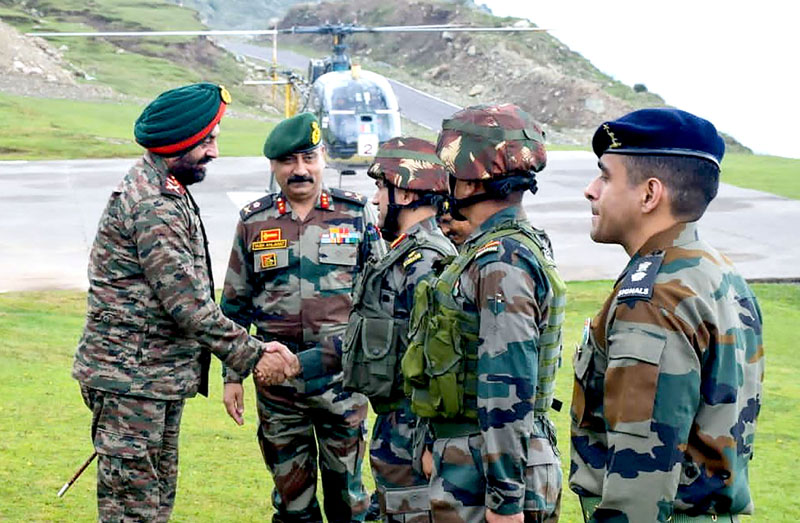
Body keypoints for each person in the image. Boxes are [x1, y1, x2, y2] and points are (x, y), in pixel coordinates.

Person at [72, 82, 295, 522]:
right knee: (132, 512)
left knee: (152, 505)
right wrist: (253, 355)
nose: (214, 151)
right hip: (130, 384)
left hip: (149, 380)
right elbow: (188, 304)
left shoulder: (166, 186)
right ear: (179, 142)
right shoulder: (153, 202)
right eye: (206, 141)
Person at [570, 108, 765, 522]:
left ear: (649, 194)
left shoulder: (654, 298)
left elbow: (641, 474)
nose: (591, 190)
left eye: (605, 176)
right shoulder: (718, 273)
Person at [219, 112, 386, 522]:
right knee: (293, 504)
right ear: (274, 166)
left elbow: (381, 300)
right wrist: (231, 376)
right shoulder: (254, 221)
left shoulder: (355, 214)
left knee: (349, 500)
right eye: (288, 162)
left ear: (322, 158)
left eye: (308, 158)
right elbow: (235, 303)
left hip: (342, 383)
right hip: (278, 388)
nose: (300, 170)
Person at [403, 103, 566, 522]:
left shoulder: (501, 260)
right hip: (475, 462)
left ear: (473, 180)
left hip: (491, 474)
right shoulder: (490, 250)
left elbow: (506, 382)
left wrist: (505, 499)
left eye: (451, 171)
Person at [341, 137, 457, 521]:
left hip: (414, 436)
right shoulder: (404, 254)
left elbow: (437, 364)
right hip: (397, 429)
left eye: (380, 188)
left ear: (405, 194)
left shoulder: (426, 262)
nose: (375, 200)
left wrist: (427, 442)